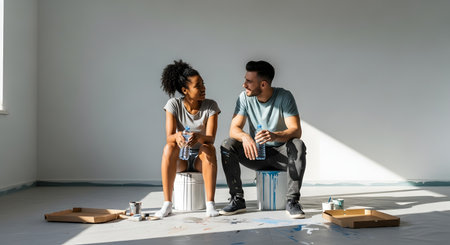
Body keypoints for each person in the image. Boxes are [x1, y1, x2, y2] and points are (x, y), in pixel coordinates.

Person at [219, 60, 307, 219]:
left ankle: (292, 201)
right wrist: (245, 137)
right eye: (245, 80)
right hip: (256, 154)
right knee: (227, 144)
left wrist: (275, 135)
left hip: (282, 155)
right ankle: (237, 199)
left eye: (249, 81)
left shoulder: (284, 97)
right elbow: (234, 129)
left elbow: (296, 130)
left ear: (264, 84)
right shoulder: (244, 98)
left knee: (298, 144)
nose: (244, 84)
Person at [156, 60, 221, 218]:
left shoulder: (211, 106)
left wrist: (198, 137)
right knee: (168, 148)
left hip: (201, 159)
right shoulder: (173, 105)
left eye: (203, 84)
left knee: (209, 149)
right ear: (185, 90)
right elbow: (169, 138)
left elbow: (211, 139)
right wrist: (178, 136)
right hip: (182, 159)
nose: (203, 88)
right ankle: (167, 204)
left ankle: (210, 204)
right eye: (198, 86)